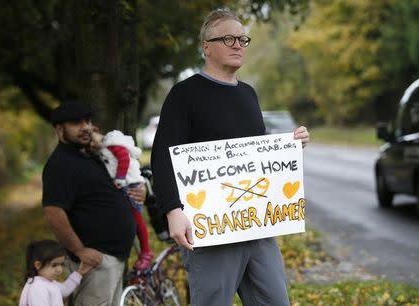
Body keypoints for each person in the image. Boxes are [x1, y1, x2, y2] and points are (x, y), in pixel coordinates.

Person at [151, 9, 310, 306]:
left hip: (257, 224)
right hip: (209, 228)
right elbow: (162, 156)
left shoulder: (249, 94)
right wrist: (172, 210)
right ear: (206, 47)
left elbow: (255, 153)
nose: (237, 44)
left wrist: (289, 146)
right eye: (227, 38)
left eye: (242, 39)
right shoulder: (184, 95)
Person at [42, 102, 146, 306]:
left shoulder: (91, 155)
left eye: (88, 121)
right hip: (95, 261)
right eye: (76, 123)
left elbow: (120, 183)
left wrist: (139, 191)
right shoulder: (59, 165)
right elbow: (53, 213)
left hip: (114, 259)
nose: (86, 127)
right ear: (60, 129)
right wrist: (80, 250)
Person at [90, 127, 155, 270]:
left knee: (137, 219)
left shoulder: (112, 143)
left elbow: (124, 158)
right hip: (125, 184)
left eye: (92, 139)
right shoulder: (104, 148)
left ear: (97, 131)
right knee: (130, 218)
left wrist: (119, 179)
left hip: (130, 184)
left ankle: (146, 251)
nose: (91, 144)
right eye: (89, 143)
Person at [19, 239, 92, 306]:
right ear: (38, 265)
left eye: (61, 264)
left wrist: (79, 273)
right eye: (54, 265)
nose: (59, 269)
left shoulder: (49, 283)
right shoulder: (38, 286)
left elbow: (65, 290)